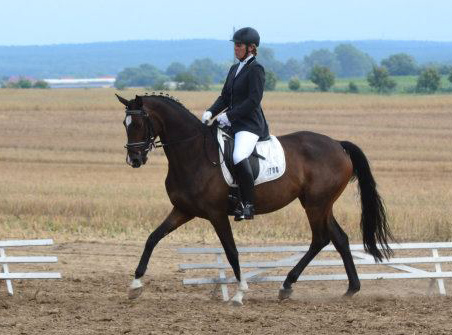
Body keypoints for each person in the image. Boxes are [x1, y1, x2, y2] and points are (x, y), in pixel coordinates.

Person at [202, 27, 269, 221]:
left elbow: (253, 100)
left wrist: (229, 116)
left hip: (249, 125)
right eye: (235, 45)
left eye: (239, 45)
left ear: (250, 48)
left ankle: (248, 204)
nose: (235, 48)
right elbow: (224, 97)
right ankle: (231, 194)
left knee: (239, 155)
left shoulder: (256, 69)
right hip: (233, 123)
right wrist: (211, 112)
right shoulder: (234, 69)